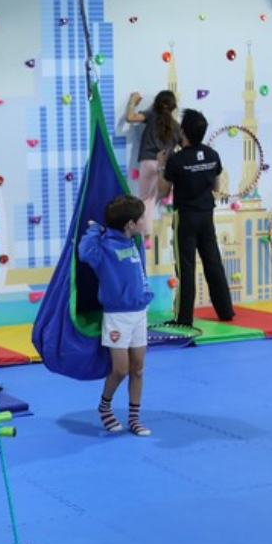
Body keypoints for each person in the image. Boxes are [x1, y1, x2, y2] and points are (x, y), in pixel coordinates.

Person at [78, 195, 155, 437]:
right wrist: (94, 230)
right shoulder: (104, 247)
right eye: (141, 217)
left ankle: (134, 418)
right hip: (117, 317)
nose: (144, 220)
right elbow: (83, 252)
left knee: (138, 368)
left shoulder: (133, 242)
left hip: (139, 314)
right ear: (130, 224)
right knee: (120, 369)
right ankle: (104, 405)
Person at [157, 109, 235, 326]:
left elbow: (162, 192)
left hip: (186, 217)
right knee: (213, 262)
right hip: (206, 215)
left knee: (185, 266)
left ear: (183, 132)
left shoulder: (176, 160)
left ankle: (183, 319)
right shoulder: (212, 155)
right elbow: (216, 186)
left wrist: (161, 164)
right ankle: (226, 311)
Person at [125, 90, 179, 243]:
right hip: (166, 164)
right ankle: (169, 194)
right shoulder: (176, 126)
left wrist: (132, 102)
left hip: (148, 161)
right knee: (157, 195)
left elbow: (130, 118)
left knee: (146, 199)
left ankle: (146, 236)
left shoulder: (151, 115)